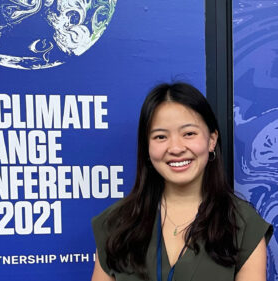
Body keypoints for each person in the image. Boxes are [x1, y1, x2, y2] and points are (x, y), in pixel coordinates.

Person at [91, 82, 273, 281]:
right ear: (147, 147)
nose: (176, 148)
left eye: (189, 134)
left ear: (211, 140)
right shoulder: (116, 224)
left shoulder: (243, 224)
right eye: (160, 136)